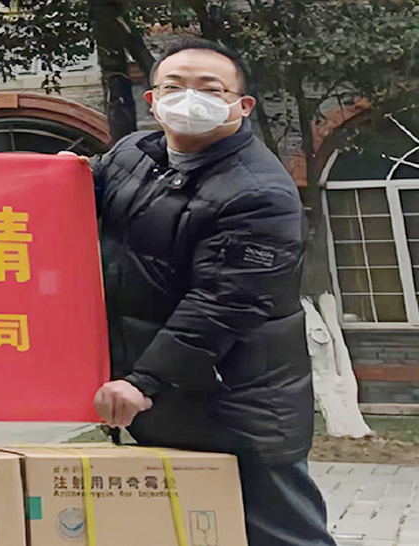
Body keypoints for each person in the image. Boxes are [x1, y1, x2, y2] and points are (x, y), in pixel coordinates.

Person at [87, 38, 335, 546]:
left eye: (209, 88)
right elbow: (72, 195)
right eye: (174, 86)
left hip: (242, 409)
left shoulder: (259, 192)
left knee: (280, 536)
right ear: (153, 100)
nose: (189, 99)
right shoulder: (132, 155)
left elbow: (224, 303)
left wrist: (144, 381)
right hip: (163, 399)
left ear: (241, 106)